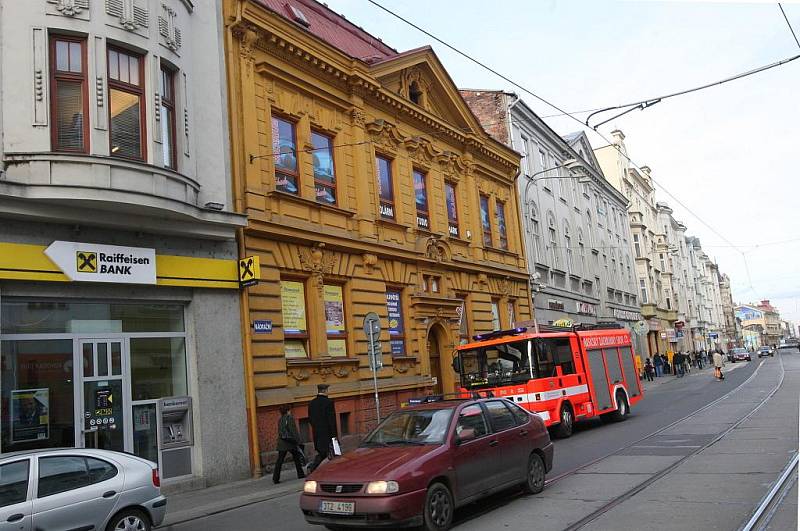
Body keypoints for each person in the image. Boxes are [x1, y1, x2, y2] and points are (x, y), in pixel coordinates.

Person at [308, 383, 338, 472]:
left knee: (322, 452)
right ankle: (314, 468)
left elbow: (310, 419)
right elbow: (331, 421)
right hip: (327, 434)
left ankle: (317, 468)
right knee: (329, 453)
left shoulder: (312, 403)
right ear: (325, 391)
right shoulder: (329, 402)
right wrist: (334, 436)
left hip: (317, 433)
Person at [273, 404, 306, 484]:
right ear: (288, 410)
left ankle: (275, 478)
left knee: (279, 460)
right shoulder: (290, 418)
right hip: (290, 442)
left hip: (282, 442)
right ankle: (300, 474)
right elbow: (293, 431)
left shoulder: (280, 419)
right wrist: (298, 441)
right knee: (296, 458)